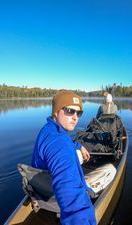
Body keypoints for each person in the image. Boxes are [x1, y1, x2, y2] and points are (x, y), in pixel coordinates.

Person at [31, 90, 97, 225]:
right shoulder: (59, 145)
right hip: (58, 196)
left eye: (79, 113)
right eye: (69, 111)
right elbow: (70, 194)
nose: (75, 117)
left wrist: (78, 145)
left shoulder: (49, 130)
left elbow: (63, 143)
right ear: (56, 111)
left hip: (43, 190)